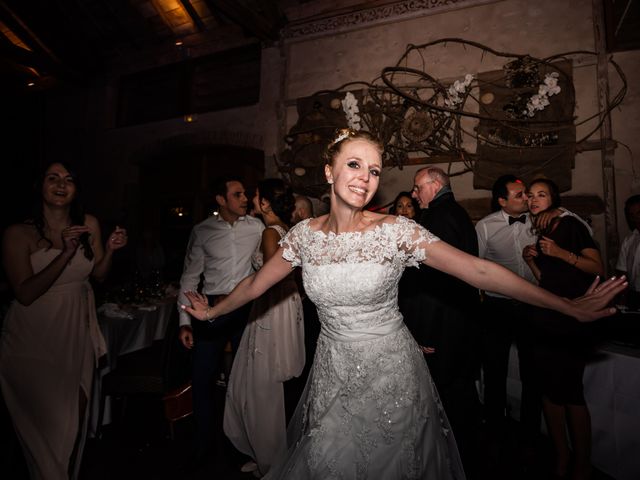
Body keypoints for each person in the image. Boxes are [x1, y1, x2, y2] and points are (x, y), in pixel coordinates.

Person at [181, 128, 625, 480]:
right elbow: (257, 284)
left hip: (390, 372)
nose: (366, 177)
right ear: (329, 172)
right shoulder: (302, 238)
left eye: (374, 171)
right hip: (332, 372)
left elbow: (480, 271)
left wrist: (567, 307)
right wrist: (212, 312)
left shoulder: (395, 231)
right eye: (354, 164)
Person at [0, 161, 127, 480]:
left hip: (75, 335)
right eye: (52, 178)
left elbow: (97, 274)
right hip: (31, 342)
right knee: (42, 434)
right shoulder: (19, 233)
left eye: (69, 179)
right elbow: (25, 293)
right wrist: (65, 253)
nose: (61, 184)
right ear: (38, 186)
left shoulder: (89, 224)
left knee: (70, 429)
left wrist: (110, 251)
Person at [176, 175, 264, 465]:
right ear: (221, 200)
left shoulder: (257, 227)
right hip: (210, 308)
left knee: (244, 380)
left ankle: (242, 443)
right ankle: (203, 444)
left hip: (245, 308)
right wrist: (184, 322)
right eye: (238, 194)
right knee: (202, 377)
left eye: (245, 193)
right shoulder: (202, 231)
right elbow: (189, 277)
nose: (244, 199)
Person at [522, 178, 605, 480]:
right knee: (549, 391)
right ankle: (561, 456)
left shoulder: (571, 226)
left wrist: (560, 253)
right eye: (530, 196)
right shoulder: (547, 230)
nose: (533, 200)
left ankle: (582, 463)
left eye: (541, 195)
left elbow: (597, 267)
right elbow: (549, 279)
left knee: (571, 393)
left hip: (572, 318)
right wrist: (532, 262)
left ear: (554, 199)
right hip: (547, 315)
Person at [224, 178, 304, 477]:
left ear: (266, 202)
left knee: (262, 386)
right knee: (264, 384)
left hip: (272, 311)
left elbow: (271, 278)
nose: (251, 199)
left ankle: (271, 459)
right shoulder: (287, 229)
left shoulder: (271, 232)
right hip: (280, 306)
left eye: (255, 195)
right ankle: (266, 453)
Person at [407, 167, 482, 475]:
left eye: (417, 187)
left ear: (435, 185)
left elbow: (435, 283)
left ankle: (454, 462)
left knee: (448, 399)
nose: (413, 194)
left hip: (442, 325)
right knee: (457, 394)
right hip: (456, 321)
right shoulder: (454, 213)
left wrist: (425, 333)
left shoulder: (438, 219)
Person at [616, 194, 640, 308]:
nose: (636, 219)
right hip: (634, 296)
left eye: (639, 213)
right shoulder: (629, 240)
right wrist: (622, 298)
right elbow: (622, 273)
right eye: (632, 215)